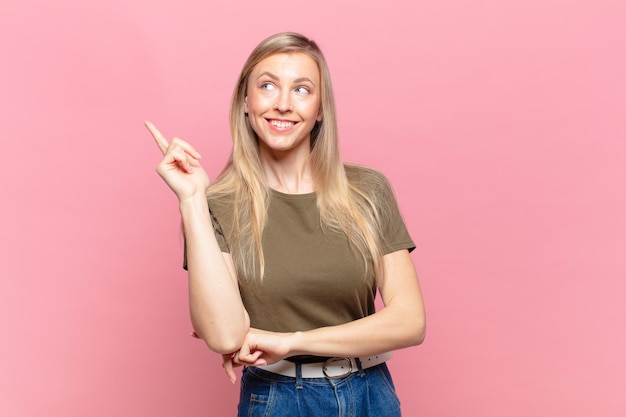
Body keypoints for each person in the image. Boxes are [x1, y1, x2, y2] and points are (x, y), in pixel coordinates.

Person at [147, 31, 426, 417]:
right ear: (246, 102)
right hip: (280, 399)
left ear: (320, 109)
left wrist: (291, 341)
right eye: (267, 86)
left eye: (301, 90)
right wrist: (193, 198)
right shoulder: (218, 205)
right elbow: (225, 334)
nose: (282, 104)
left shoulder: (367, 190)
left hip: (371, 395)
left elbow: (410, 321)